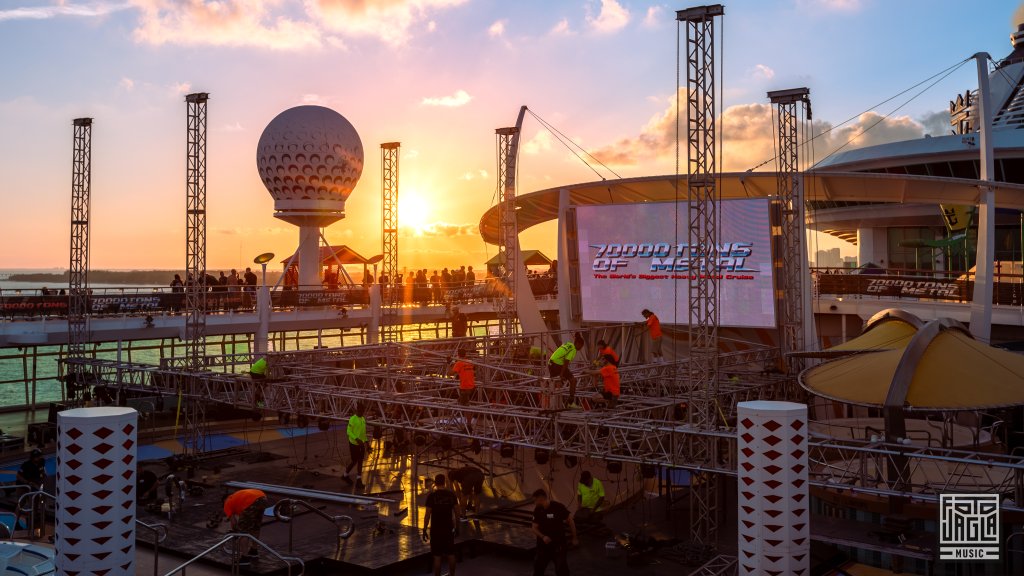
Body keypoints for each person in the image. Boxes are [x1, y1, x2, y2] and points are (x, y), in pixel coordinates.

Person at [531, 488, 577, 576]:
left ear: (541, 499)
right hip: (543, 546)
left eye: (535, 501)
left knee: (561, 569)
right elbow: (534, 528)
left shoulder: (558, 507)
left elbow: (570, 521)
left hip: (558, 545)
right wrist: (543, 537)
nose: (534, 503)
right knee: (538, 568)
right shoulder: (537, 510)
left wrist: (574, 537)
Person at [423, 473, 459, 576]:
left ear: (435, 483)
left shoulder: (432, 496)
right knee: (451, 554)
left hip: (436, 530)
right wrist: (457, 528)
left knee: (437, 557)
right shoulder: (451, 495)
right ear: (445, 482)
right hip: (448, 529)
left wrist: (424, 529)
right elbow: (457, 513)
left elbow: (427, 515)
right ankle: (452, 575)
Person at [223, 488, 267, 565]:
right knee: (255, 527)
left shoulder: (227, 503)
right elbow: (245, 518)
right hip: (262, 497)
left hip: (251, 501)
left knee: (243, 532)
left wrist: (236, 531)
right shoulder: (237, 499)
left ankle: (245, 558)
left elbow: (233, 521)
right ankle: (254, 550)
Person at [549, 334, 585, 408]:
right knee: (573, 380)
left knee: (556, 384)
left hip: (550, 363)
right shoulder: (573, 349)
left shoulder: (568, 344)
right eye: (581, 346)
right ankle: (570, 402)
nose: (580, 348)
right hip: (557, 364)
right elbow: (566, 362)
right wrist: (561, 374)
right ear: (578, 344)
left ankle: (553, 405)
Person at [17, 449, 46, 538]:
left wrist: (41, 482)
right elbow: (18, 476)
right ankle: (16, 521)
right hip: (23, 485)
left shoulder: (42, 463)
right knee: (21, 503)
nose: (38, 458)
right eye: (36, 457)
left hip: (34, 485)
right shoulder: (26, 465)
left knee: (35, 503)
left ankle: (32, 522)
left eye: (39, 456)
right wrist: (27, 482)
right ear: (32, 457)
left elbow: (43, 474)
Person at [343, 403, 367, 490]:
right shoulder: (353, 419)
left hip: (361, 444)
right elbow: (348, 431)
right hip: (354, 444)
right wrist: (356, 439)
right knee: (354, 461)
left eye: (363, 411)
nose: (362, 413)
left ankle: (358, 480)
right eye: (361, 411)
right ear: (357, 410)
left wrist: (366, 442)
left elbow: (363, 432)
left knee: (360, 461)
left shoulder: (363, 419)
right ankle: (345, 475)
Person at [452, 348, 476, 432]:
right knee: (464, 404)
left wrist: (449, 363)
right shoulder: (470, 362)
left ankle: (469, 426)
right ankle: (467, 423)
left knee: (465, 406)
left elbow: (451, 373)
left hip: (464, 387)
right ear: (465, 354)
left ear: (458, 354)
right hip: (471, 386)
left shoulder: (459, 363)